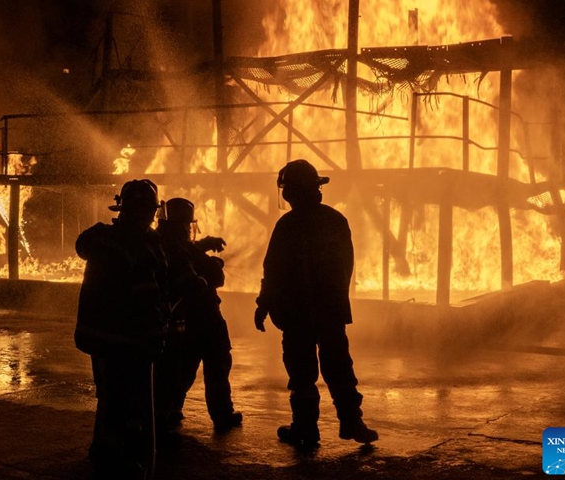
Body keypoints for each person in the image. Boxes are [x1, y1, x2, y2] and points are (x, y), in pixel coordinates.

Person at [254, 159, 378, 449]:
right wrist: (333, 302)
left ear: (289, 194)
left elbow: (273, 270)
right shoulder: (335, 220)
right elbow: (345, 268)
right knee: (338, 368)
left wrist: (264, 303)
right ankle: (351, 422)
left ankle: (305, 428)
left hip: (297, 315)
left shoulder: (287, 225)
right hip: (329, 312)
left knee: (301, 373)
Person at [74, 179, 168, 480]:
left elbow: (84, 244)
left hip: (102, 336)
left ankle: (109, 451)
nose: (151, 218)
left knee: (113, 397)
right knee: (124, 399)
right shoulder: (136, 247)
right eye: (149, 212)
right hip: (124, 339)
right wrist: (156, 336)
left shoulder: (108, 239)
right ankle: (115, 458)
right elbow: (146, 295)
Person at [155, 197, 242, 433]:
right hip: (205, 318)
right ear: (183, 224)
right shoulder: (178, 250)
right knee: (217, 366)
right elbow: (204, 279)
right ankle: (222, 415)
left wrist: (203, 245)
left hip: (183, 323)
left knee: (182, 369)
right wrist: (211, 266)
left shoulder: (161, 244)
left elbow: (185, 250)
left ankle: (170, 409)